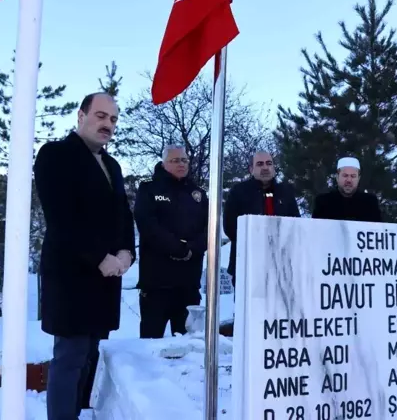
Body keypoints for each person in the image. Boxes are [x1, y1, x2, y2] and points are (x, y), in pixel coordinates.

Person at [34, 92, 136, 420]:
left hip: (105, 279)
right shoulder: (56, 155)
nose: (108, 124)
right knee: (70, 356)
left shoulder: (112, 164)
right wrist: (99, 257)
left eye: (113, 119)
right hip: (72, 275)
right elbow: (61, 217)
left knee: (90, 354)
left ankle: (79, 413)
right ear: (81, 116)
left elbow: (123, 212)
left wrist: (126, 251)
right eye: (101, 116)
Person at [133, 145, 209, 338]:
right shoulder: (149, 189)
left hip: (188, 283)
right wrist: (178, 248)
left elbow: (209, 229)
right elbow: (148, 225)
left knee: (189, 343)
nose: (181, 164)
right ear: (164, 163)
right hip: (157, 282)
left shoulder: (198, 194)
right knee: (151, 341)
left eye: (184, 160)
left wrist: (192, 248)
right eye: (175, 160)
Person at [223, 150, 300, 286]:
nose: (265, 167)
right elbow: (230, 227)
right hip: (247, 263)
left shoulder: (285, 192)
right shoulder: (239, 192)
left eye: (269, 163)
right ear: (251, 169)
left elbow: (296, 225)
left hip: (281, 265)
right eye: (259, 164)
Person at [312, 156, 383, 222]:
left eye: (353, 176)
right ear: (337, 177)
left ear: (358, 179)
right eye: (345, 175)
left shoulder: (370, 202)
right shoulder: (323, 202)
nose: (349, 180)